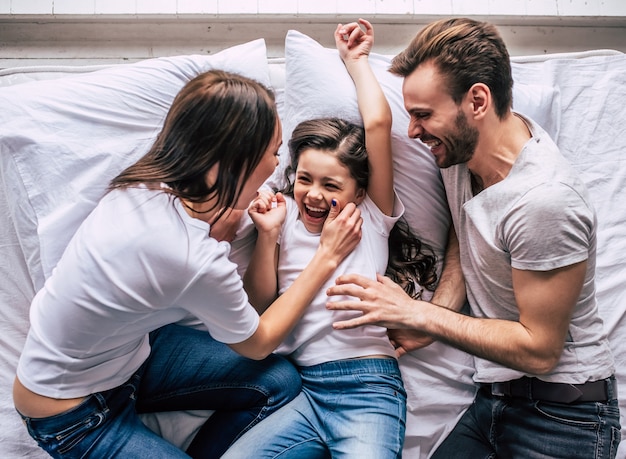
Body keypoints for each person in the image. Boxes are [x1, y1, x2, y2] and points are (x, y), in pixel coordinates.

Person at [12, 69, 363, 459]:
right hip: (71, 413)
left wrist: (230, 232)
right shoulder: (191, 257)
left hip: (133, 356)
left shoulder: (145, 183)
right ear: (235, 162)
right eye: (274, 152)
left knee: (280, 381)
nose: (278, 165)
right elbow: (260, 342)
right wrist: (326, 257)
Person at [326, 17, 621, 459]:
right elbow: (471, 235)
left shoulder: (545, 202)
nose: (413, 131)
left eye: (424, 115)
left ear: (478, 100)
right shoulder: (465, 153)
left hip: (564, 418)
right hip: (495, 402)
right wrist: (439, 310)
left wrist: (420, 315)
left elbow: (539, 350)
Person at [221, 19, 437, 459]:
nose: (314, 195)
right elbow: (260, 307)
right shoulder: (283, 220)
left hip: (366, 386)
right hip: (300, 388)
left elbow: (377, 123)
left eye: (331, 186)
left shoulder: (370, 216)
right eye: (304, 179)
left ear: (359, 189)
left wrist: (355, 61)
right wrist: (268, 237)